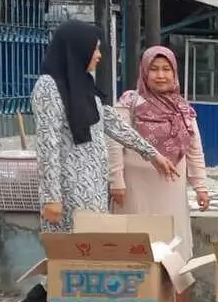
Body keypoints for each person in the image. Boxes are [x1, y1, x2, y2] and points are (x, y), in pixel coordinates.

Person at [32, 20, 177, 234]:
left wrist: (151, 154)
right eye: (95, 49)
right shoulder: (48, 87)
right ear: (78, 49)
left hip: (94, 189)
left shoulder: (83, 85)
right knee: (72, 250)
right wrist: (51, 197)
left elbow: (112, 122)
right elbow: (47, 144)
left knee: (94, 248)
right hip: (68, 192)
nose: (99, 55)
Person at [109, 46, 210, 302]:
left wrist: (200, 186)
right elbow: (114, 143)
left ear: (175, 73)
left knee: (175, 245)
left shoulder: (183, 108)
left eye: (166, 69)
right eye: (154, 69)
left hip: (170, 190)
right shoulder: (129, 103)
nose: (160, 75)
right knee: (137, 244)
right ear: (144, 71)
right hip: (135, 189)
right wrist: (116, 181)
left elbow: (194, 149)